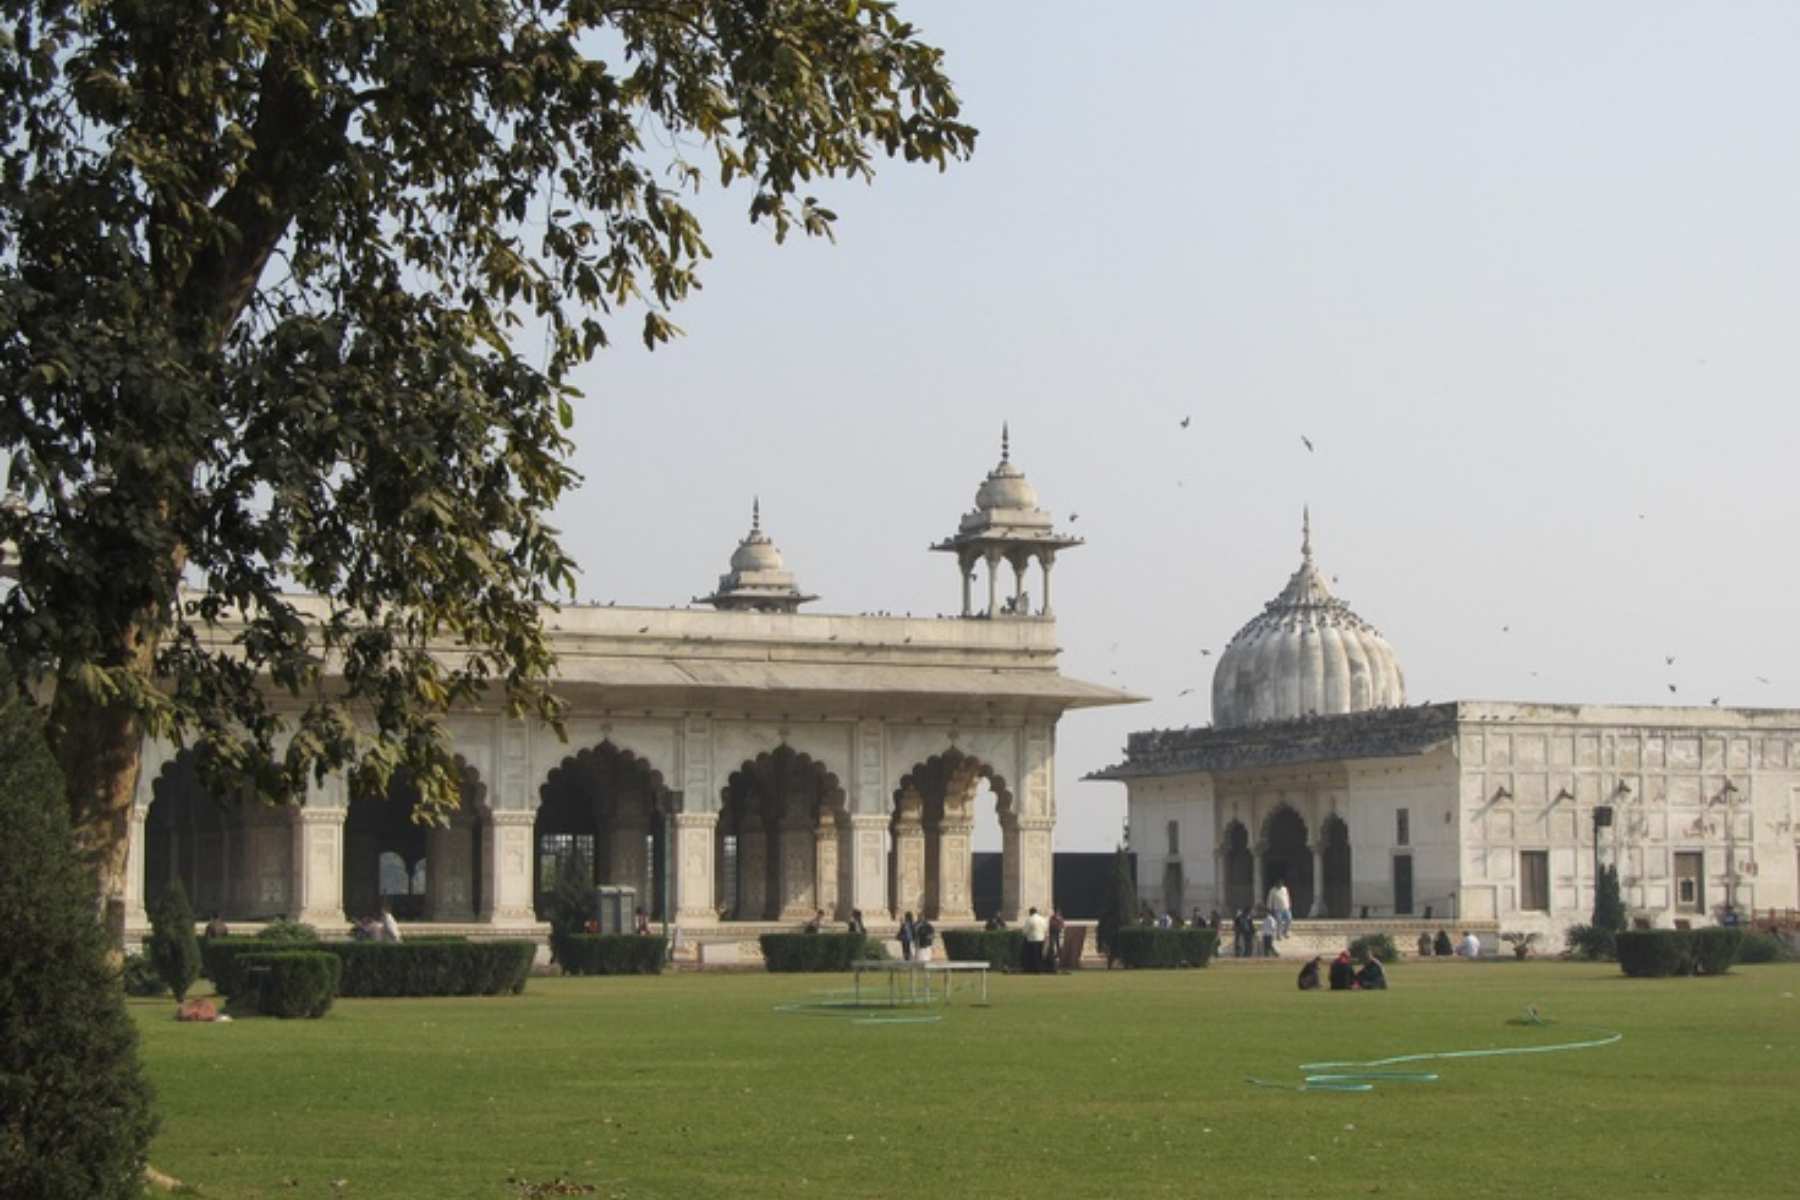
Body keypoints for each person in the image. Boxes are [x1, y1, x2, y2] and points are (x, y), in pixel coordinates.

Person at [1021, 906, 1049, 973]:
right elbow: (1046, 929)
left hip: (1032, 940)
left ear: (1030, 912)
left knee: (1033, 956)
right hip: (1041, 939)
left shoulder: (1030, 919)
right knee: (1040, 955)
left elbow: (1025, 931)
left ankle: (1033, 969)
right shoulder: (1042, 919)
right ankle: (1040, 969)